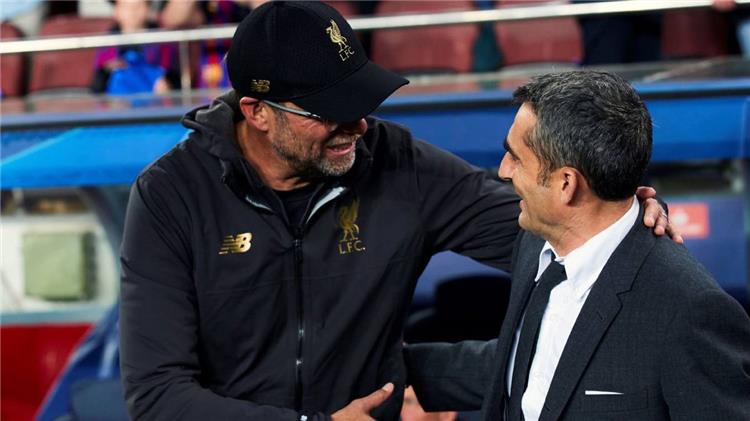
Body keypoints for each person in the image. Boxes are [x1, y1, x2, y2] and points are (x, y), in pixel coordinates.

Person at [119, 3, 674, 420]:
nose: (358, 125)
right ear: (257, 112)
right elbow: (158, 395)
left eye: (360, 102)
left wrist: (619, 212)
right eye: (330, 111)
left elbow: (554, 225)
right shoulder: (170, 196)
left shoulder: (398, 163)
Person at [404, 71, 750, 420]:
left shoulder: (690, 310)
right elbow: (533, 363)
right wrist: (386, 367)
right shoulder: (536, 245)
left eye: (516, 157)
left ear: (566, 183)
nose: (504, 170)